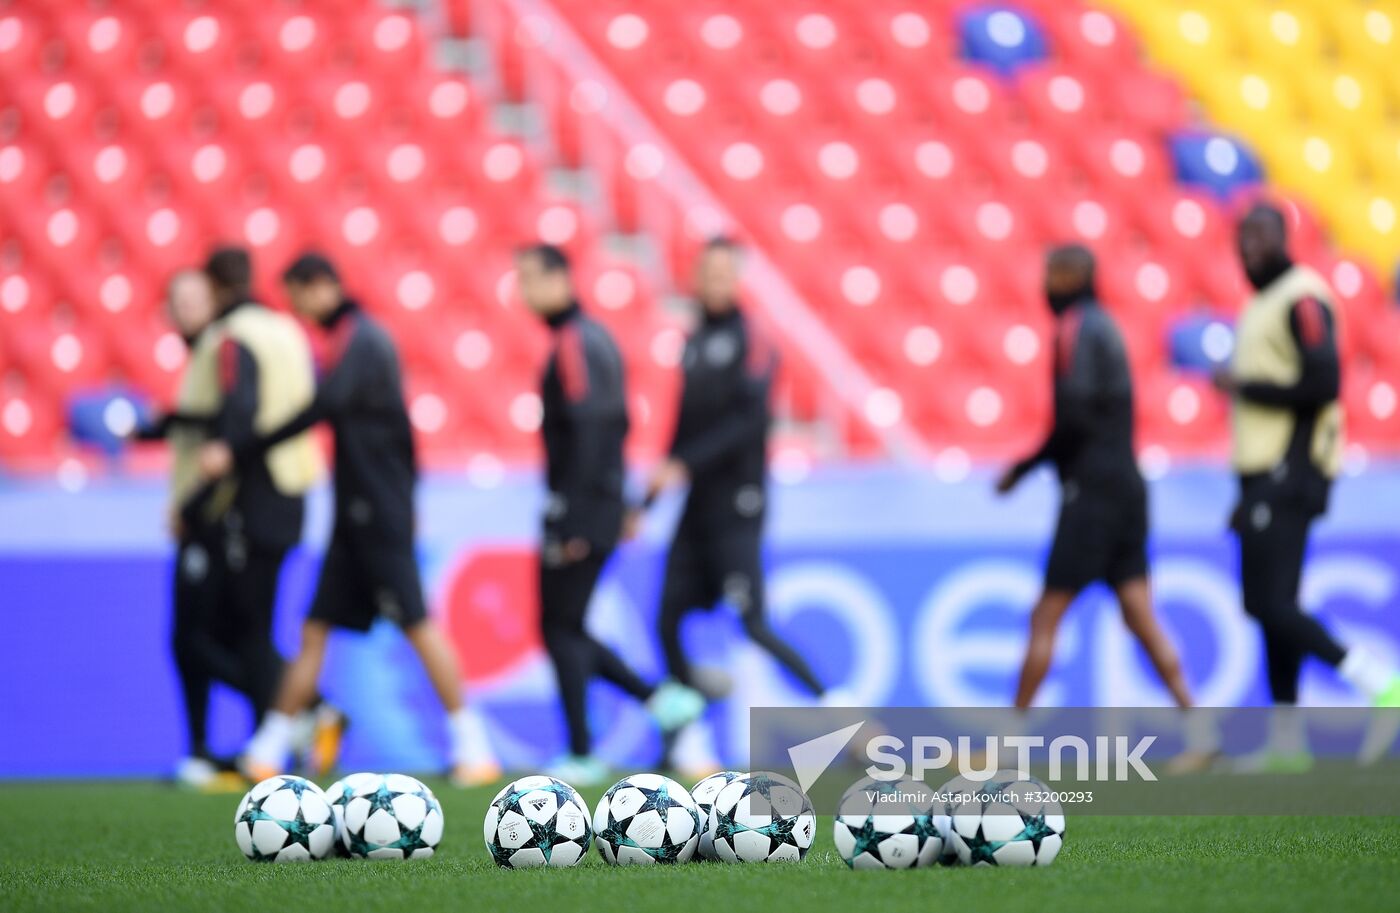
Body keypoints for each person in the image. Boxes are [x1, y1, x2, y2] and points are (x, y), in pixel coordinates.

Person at [201, 253, 500, 786]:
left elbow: (326, 407)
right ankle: (266, 751)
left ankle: (473, 746)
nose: (296, 310)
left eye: (297, 298)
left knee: (417, 623)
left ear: (321, 288)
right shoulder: (348, 339)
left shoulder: (362, 339)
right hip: (353, 515)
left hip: (377, 513)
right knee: (315, 628)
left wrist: (245, 446)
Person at [996, 244, 1217, 768]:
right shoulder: (1107, 326)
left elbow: (1073, 416)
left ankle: (1007, 748)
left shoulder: (1075, 328)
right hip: (1129, 488)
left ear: (1072, 275)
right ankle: (1200, 729)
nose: (1045, 284)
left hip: (1092, 492)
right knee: (1141, 615)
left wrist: (1025, 469)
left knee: (1045, 615)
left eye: (1051, 273)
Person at [1212, 203, 1400, 769]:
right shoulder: (1263, 301)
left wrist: (1246, 388)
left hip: (1288, 470)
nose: (1249, 248)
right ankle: (1288, 743)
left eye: (1260, 237)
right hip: (1263, 472)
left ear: (1284, 239)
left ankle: (1379, 683)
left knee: (1266, 601)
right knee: (1275, 606)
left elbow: (1323, 382)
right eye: (1242, 239)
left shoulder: (1302, 296)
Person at [516, 242, 703, 785]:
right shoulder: (585, 339)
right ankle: (656, 701)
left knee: (560, 627)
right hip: (594, 505)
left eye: (529, 277)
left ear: (559, 279)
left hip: (581, 509)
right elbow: (612, 423)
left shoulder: (574, 343)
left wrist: (577, 513)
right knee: (564, 626)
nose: (523, 291)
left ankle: (589, 746)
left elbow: (596, 425)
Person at [644, 238, 826, 706]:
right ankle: (688, 723)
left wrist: (685, 462)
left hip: (737, 503)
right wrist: (647, 499)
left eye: (724, 273)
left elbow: (750, 422)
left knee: (753, 622)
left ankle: (845, 713)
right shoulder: (695, 341)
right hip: (697, 503)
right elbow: (683, 425)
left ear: (737, 279)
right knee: (667, 616)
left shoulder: (752, 340)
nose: (714, 282)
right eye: (707, 272)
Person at [198, 246, 323, 759]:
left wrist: (225, 450)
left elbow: (243, 403)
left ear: (215, 287)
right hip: (297, 487)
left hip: (257, 491)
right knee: (253, 618)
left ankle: (294, 721)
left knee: (243, 624)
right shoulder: (287, 329)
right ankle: (286, 725)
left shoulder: (234, 336)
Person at [135, 269, 242, 790]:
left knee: (193, 638)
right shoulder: (201, 355)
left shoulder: (223, 348)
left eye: (197, 299)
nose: (187, 310)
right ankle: (202, 749)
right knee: (200, 637)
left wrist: (191, 503)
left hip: (216, 515)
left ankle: (296, 707)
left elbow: (227, 427)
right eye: (178, 301)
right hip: (203, 514)